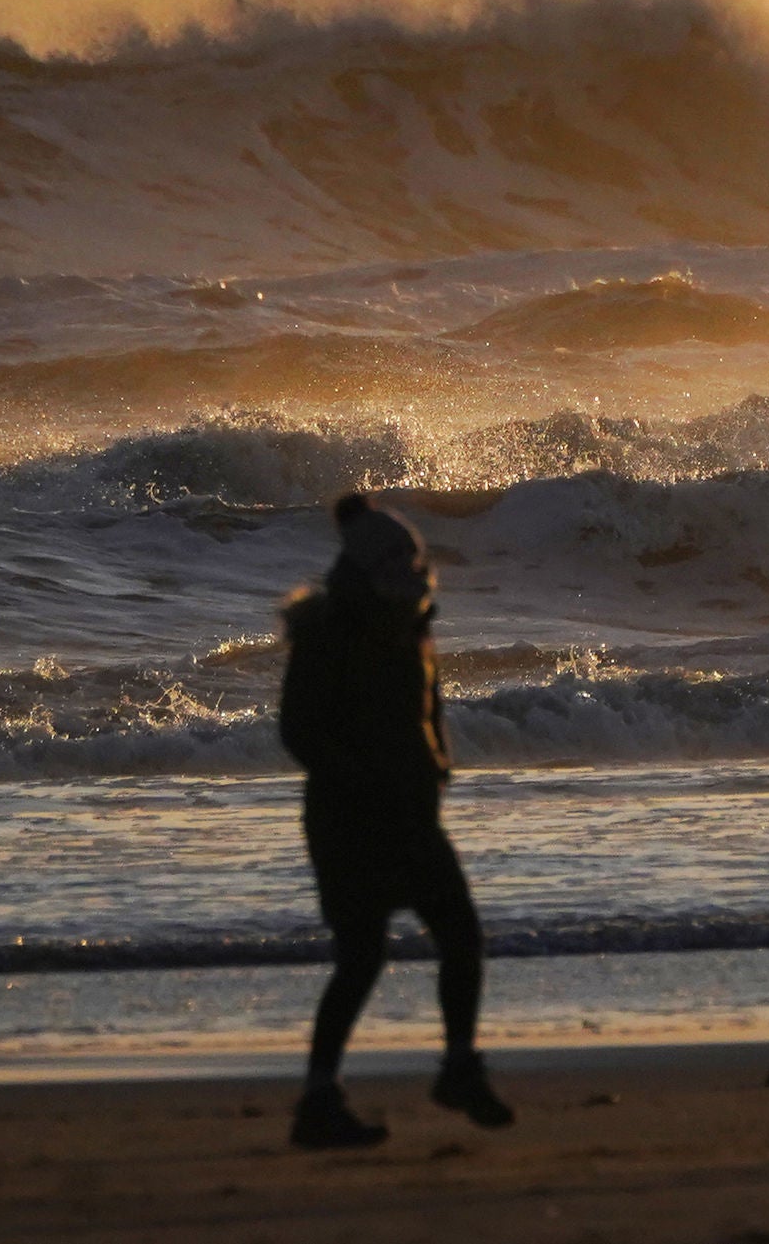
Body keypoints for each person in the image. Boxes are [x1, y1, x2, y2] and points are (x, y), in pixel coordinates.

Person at [277, 491, 516, 1148]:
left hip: (412, 814)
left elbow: (427, 706)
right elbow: (299, 729)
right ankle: (318, 1097)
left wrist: (437, 762)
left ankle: (460, 1066)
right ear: (365, 568)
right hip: (347, 821)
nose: (412, 572)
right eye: (398, 562)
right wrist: (358, 781)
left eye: (415, 559)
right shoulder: (326, 628)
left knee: (461, 934)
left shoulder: (413, 620)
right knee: (361, 957)